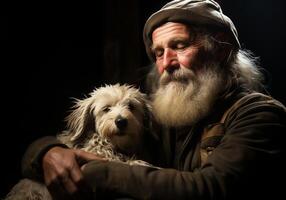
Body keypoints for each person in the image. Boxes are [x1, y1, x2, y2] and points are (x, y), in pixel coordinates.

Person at [20, 0, 285, 199]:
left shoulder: (260, 115)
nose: (166, 63)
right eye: (158, 53)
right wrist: (48, 153)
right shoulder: (166, 111)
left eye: (180, 46)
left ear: (221, 50)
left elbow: (210, 188)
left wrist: (85, 170)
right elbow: (54, 145)